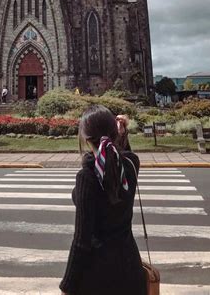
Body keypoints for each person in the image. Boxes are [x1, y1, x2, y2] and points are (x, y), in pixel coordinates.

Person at [60, 105, 145, 295]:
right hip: (131, 273)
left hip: (98, 279)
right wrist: (120, 137)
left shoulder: (87, 177)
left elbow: (82, 241)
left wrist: (68, 285)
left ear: (85, 138)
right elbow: (119, 159)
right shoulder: (132, 165)